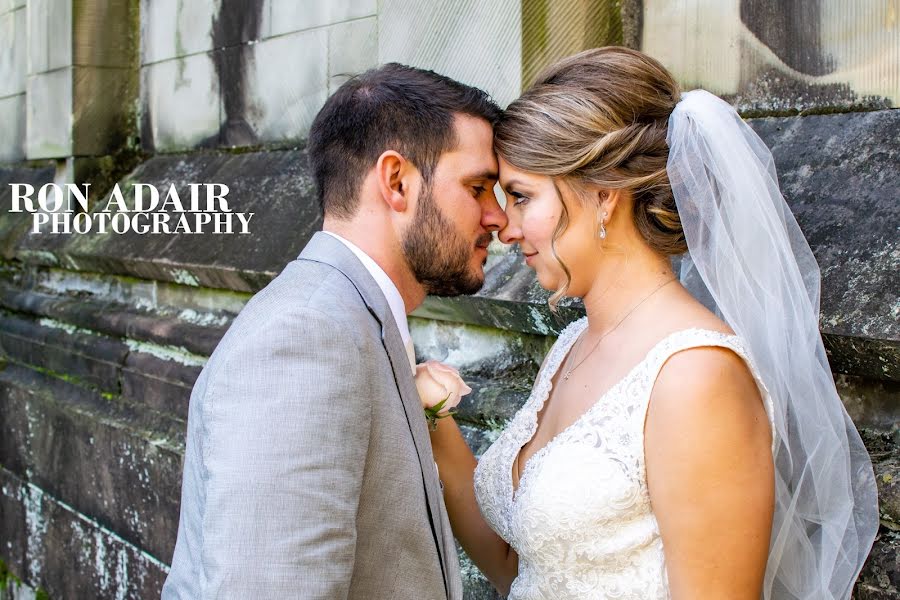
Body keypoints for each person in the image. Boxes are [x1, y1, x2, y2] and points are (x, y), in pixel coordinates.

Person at [423, 47, 878, 599]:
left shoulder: (696, 376)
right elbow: (517, 568)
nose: (505, 228)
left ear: (602, 195)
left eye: (521, 197)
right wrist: (435, 418)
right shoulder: (573, 343)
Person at [162, 63, 508, 599]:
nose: (497, 218)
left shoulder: (347, 316)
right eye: (479, 187)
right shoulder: (305, 338)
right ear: (397, 182)